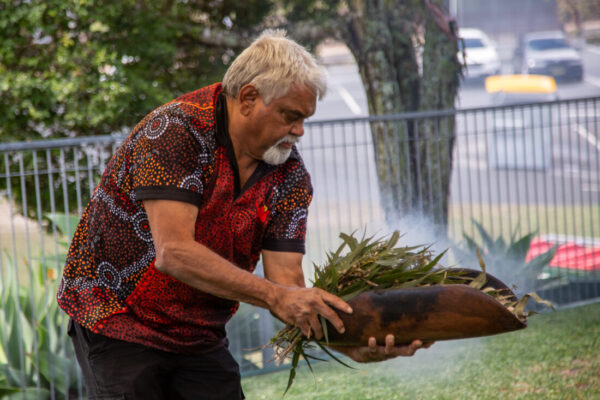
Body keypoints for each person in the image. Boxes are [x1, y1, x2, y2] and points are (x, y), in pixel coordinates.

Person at [57, 29, 429, 400]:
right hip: (118, 320)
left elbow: (286, 282)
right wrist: (275, 296)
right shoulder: (176, 131)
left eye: (305, 119)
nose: (298, 131)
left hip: (198, 332)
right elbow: (174, 253)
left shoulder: (290, 175)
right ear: (248, 97)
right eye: (290, 115)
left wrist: (349, 344)